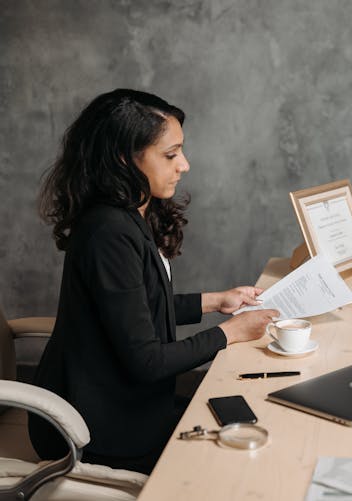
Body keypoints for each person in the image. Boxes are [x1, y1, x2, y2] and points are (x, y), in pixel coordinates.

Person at [30, 89, 280, 474]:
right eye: (170, 154)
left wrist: (217, 301)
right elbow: (146, 360)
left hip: (126, 403)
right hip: (96, 427)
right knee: (241, 453)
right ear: (123, 158)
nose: (184, 165)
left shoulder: (128, 215)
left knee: (245, 414)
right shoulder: (108, 232)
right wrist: (230, 333)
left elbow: (136, 306)